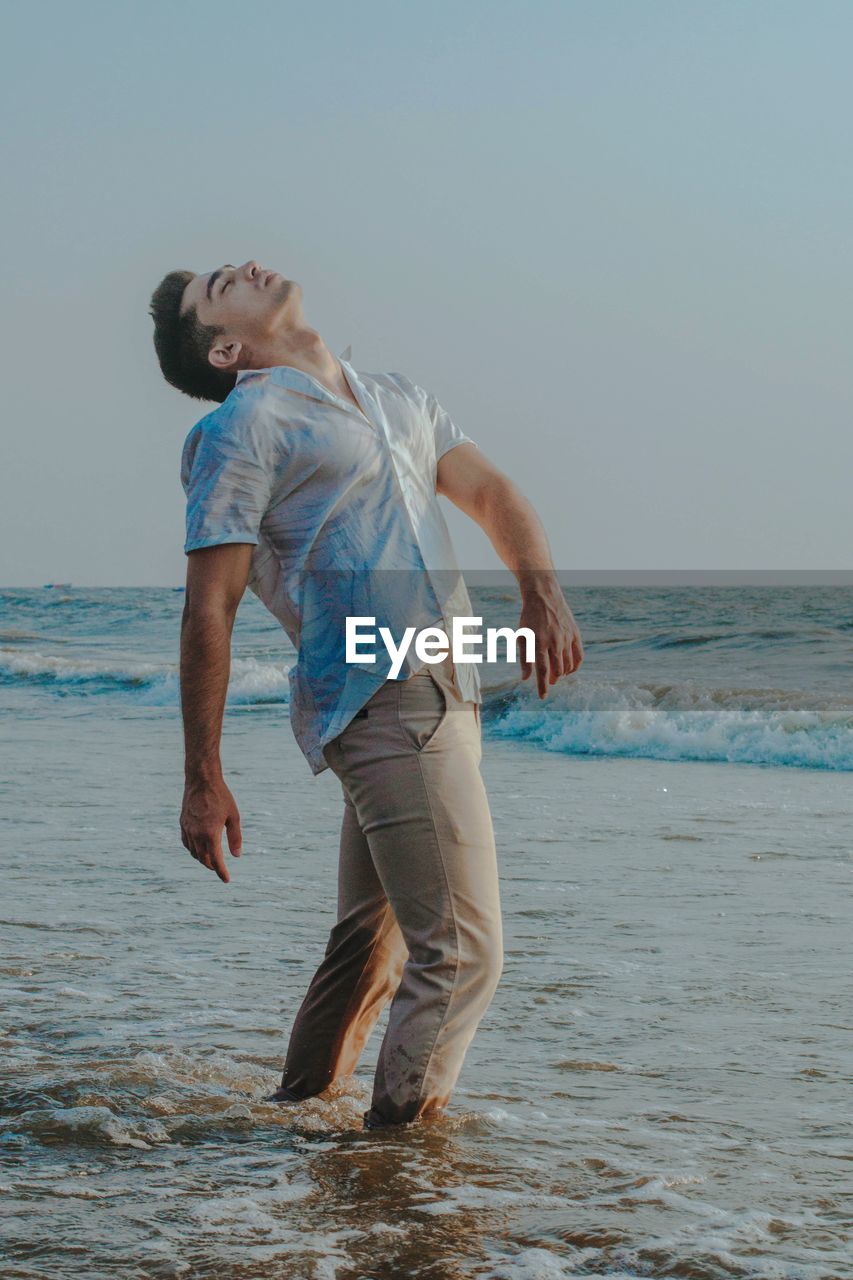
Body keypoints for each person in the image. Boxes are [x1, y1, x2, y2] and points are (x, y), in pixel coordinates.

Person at [149, 259, 584, 1130]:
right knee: (462, 955)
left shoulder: (392, 395)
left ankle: (295, 1120)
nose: (237, 267)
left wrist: (540, 592)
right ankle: (396, 1172)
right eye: (215, 289)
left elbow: (491, 494)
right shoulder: (246, 423)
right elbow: (211, 608)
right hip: (386, 692)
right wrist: (202, 774)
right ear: (228, 347)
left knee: (371, 952)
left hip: (442, 687)